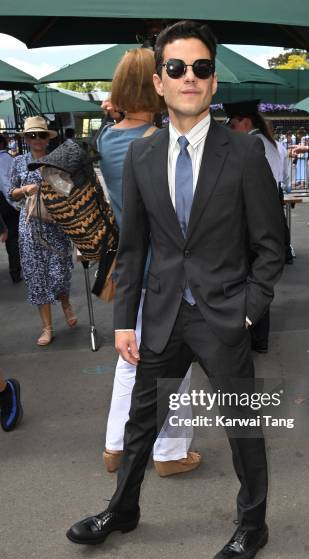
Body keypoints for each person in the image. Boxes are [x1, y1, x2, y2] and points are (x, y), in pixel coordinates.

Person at [67, 20, 285, 559]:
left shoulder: (242, 155)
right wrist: (124, 321)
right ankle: (123, 509)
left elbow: (270, 247)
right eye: (176, 68)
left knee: (243, 428)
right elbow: (134, 246)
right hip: (161, 313)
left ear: (213, 82)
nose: (190, 77)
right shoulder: (142, 156)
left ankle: (252, 525)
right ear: (159, 83)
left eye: (201, 68)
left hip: (223, 316)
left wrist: (248, 310)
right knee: (142, 422)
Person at [97, 47, 199, 476]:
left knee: (130, 358)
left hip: (130, 267)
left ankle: (115, 446)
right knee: (181, 361)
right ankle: (171, 452)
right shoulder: (157, 144)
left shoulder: (106, 139)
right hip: (169, 271)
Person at [224, 99, 290, 352]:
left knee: (248, 276)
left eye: (232, 123)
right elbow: (281, 179)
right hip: (269, 210)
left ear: (245, 121)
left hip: (251, 215)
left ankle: (249, 336)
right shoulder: (271, 143)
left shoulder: (249, 144)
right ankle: (259, 339)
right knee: (260, 275)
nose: (229, 128)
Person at [8, 116, 77, 346]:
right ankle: (47, 327)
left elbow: (69, 190)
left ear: (48, 138)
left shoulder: (57, 160)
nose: (36, 139)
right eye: (31, 135)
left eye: (41, 135)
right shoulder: (18, 162)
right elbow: (10, 192)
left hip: (56, 225)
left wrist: (54, 186)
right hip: (29, 227)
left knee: (59, 273)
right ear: (26, 139)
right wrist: (24, 189)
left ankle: (65, 302)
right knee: (37, 277)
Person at [0, 134, 21, 283]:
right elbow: (6, 184)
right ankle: (15, 272)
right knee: (12, 238)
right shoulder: (7, 159)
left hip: (5, 201)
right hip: (6, 203)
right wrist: (16, 205)